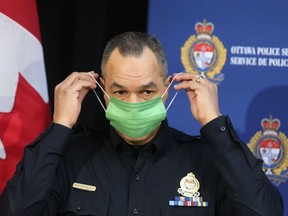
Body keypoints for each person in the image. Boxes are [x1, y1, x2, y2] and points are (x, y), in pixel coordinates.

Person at [0, 32, 283, 216]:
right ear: (101, 90)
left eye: (147, 92)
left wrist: (214, 124)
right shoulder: (71, 156)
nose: (133, 104)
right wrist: (60, 127)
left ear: (167, 89)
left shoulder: (206, 159)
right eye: (121, 91)